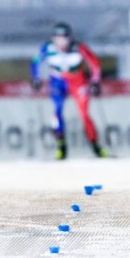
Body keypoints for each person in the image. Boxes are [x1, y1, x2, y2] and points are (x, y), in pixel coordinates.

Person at [31, 22, 106, 160]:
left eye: (64, 38)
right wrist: (36, 79)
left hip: (77, 80)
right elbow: (35, 62)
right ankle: (61, 145)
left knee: (84, 113)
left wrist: (95, 81)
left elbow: (95, 63)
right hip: (58, 81)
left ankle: (96, 146)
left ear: (70, 38)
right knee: (57, 111)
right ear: (53, 39)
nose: (62, 42)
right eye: (58, 39)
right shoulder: (48, 48)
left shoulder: (78, 48)